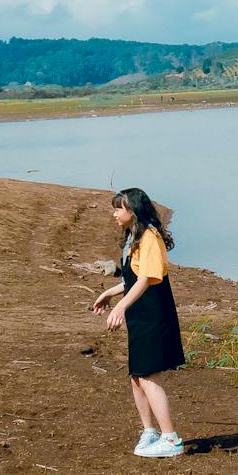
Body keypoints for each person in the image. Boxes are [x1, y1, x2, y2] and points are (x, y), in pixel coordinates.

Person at [90, 188, 186, 458]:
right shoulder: (133, 237)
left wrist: (121, 306)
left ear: (132, 210)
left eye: (118, 208)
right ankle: (150, 431)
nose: (114, 213)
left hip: (154, 315)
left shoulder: (150, 237)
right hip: (139, 315)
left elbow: (146, 279)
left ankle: (171, 439)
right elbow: (132, 279)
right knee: (137, 377)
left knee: (148, 375)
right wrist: (109, 294)